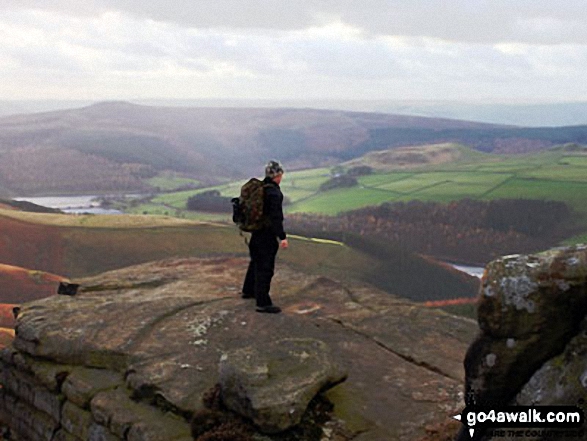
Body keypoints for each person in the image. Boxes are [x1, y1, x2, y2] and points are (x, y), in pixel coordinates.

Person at [241, 160, 288, 313]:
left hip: (256, 232)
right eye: (281, 174)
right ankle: (263, 302)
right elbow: (276, 217)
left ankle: (248, 290)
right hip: (267, 234)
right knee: (265, 267)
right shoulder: (274, 193)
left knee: (256, 260)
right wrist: (282, 237)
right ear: (278, 175)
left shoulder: (260, 189)